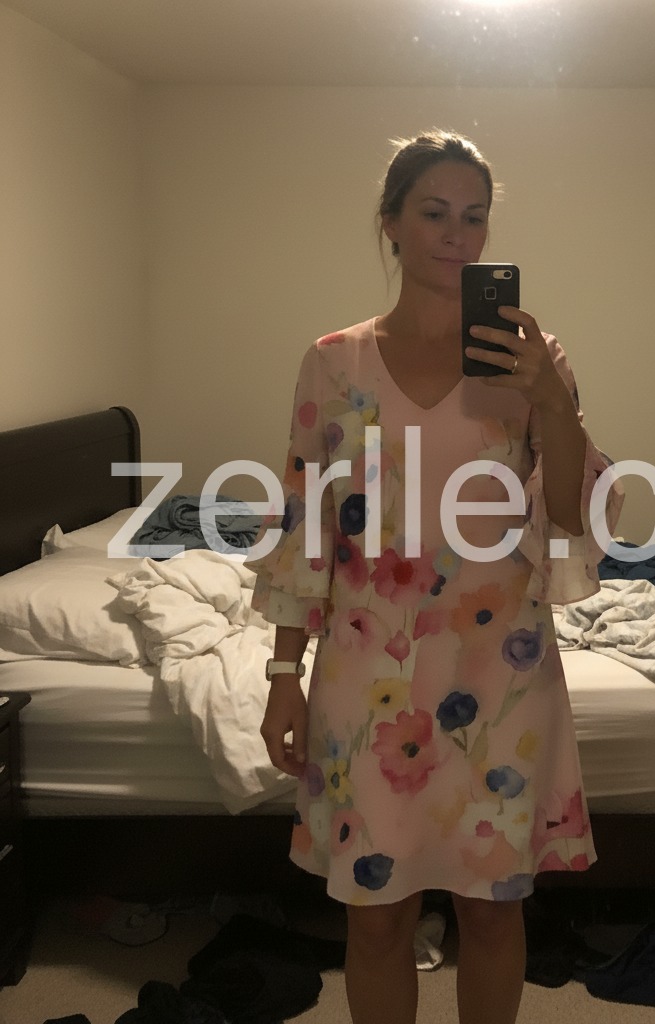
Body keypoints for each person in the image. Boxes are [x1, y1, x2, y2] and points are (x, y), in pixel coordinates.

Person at [251, 129, 623, 1024]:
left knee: (492, 912)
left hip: (502, 672)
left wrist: (552, 399)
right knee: (375, 916)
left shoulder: (533, 358)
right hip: (365, 673)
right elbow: (305, 529)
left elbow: (570, 518)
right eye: (434, 213)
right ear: (390, 223)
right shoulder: (333, 362)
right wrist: (283, 672)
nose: (457, 234)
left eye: (474, 217)